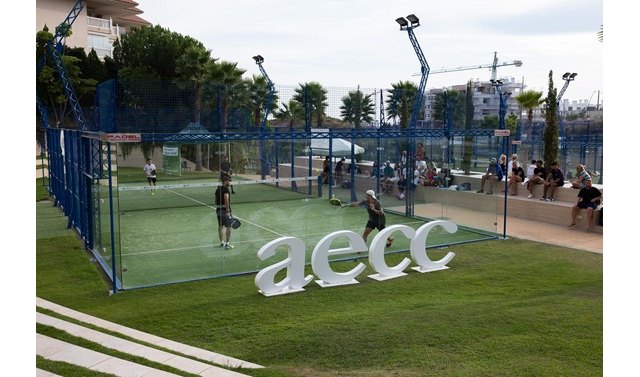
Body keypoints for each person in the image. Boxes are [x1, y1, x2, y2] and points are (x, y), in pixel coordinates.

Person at [215, 177, 234, 249]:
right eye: (229, 181)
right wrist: (227, 210)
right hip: (225, 210)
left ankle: (222, 242)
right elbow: (226, 199)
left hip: (218, 210)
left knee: (220, 226)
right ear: (225, 181)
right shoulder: (226, 190)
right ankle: (227, 243)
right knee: (229, 227)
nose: (229, 183)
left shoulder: (217, 190)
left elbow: (215, 200)